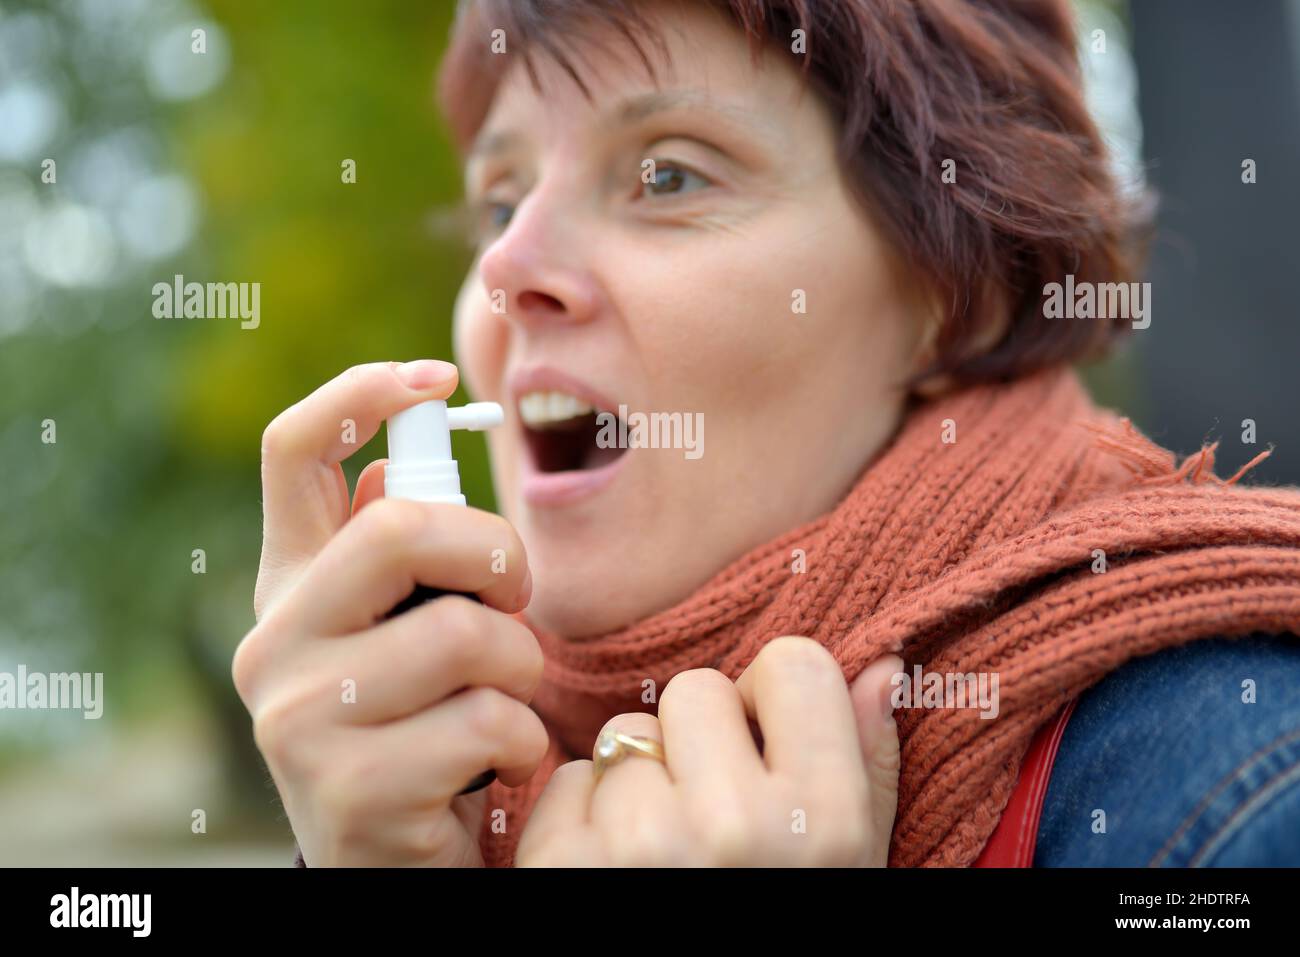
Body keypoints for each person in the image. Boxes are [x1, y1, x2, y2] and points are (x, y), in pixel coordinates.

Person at [231, 0, 1300, 867]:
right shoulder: (447, 807)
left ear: (956, 290)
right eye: (499, 203)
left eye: (668, 174)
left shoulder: (1233, 803)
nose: (506, 271)